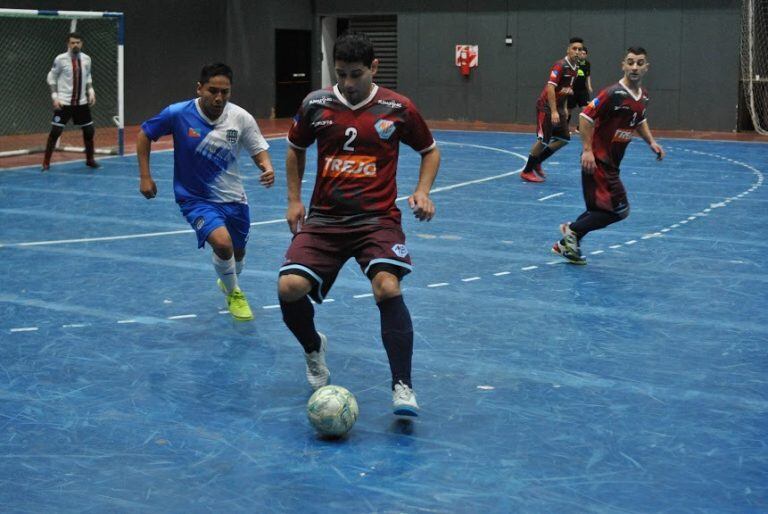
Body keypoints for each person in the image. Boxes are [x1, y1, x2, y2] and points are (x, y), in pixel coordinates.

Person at [277, 32, 440, 417]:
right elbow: (295, 149)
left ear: (374, 68)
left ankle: (403, 386)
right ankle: (314, 349)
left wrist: (423, 192)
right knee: (289, 287)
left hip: (376, 220)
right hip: (325, 219)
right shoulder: (316, 103)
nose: (348, 84)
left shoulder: (397, 108)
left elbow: (430, 152)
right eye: (341, 74)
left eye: (356, 74)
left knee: (387, 286)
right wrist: (294, 199)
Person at [137, 63, 275, 320]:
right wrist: (145, 176)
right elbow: (145, 134)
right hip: (195, 198)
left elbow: (258, 148)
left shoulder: (240, 118)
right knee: (222, 245)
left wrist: (266, 167)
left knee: (238, 253)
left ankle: (229, 279)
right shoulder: (178, 113)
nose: (219, 97)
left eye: (225, 92)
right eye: (213, 90)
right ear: (199, 88)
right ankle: (234, 293)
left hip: (234, 199)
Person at [553, 47, 665, 264]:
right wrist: (587, 150)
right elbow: (585, 116)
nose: (635, 67)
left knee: (597, 209)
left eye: (640, 63)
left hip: (613, 164)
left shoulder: (643, 97)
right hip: (598, 162)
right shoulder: (613, 93)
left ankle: (566, 245)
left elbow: (639, 120)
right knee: (619, 211)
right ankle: (572, 230)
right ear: (623, 65)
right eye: (630, 62)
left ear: (646, 68)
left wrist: (651, 142)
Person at [520, 37, 584, 183]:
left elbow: (566, 89)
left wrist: (565, 108)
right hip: (546, 107)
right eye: (574, 48)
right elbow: (551, 87)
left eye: (580, 49)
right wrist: (554, 111)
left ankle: (538, 161)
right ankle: (526, 171)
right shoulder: (560, 65)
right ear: (568, 50)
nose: (577, 51)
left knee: (563, 139)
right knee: (544, 140)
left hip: (559, 107)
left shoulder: (576, 68)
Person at [43, 32, 100, 171]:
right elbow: (51, 78)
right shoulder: (60, 59)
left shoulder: (87, 59)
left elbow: (88, 75)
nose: (75, 45)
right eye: (72, 42)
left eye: (78, 42)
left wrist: (91, 90)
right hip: (64, 102)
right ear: (68, 44)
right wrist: (54, 97)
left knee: (89, 131)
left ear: (82, 43)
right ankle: (46, 162)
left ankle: (90, 160)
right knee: (55, 132)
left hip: (81, 103)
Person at [567, 46, 593, 132]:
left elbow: (588, 76)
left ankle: (580, 127)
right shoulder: (574, 63)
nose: (582, 55)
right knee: (569, 110)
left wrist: (589, 86)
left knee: (586, 109)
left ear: (586, 55)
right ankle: (565, 128)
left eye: (584, 53)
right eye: (581, 53)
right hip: (573, 90)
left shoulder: (587, 64)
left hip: (583, 90)